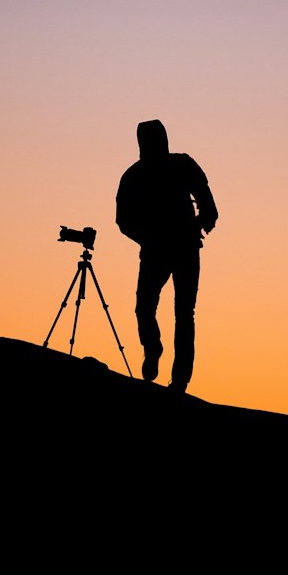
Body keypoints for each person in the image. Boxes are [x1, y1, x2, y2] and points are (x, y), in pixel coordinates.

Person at [115, 119, 218, 392]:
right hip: (159, 251)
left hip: (178, 249)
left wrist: (200, 223)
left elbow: (209, 206)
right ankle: (155, 349)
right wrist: (148, 237)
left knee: (180, 313)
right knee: (151, 309)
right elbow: (123, 219)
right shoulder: (135, 176)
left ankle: (180, 379)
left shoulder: (177, 166)